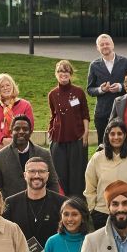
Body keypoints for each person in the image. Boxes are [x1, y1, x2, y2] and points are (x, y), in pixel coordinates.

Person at [84, 119, 127, 227]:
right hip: (102, 213)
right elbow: (90, 187)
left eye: (119, 134)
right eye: (112, 134)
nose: (116, 137)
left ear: (125, 136)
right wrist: (93, 209)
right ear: (107, 136)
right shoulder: (96, 159)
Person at [46, 59, 89, 197]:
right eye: (60, 71)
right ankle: (61, 202)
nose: (63, 74)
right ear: (56, 74)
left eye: (66, 71)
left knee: (77, 174)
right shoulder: (52, 94)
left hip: (77, 138)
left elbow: (85, 114)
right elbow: (53, 115)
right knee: (60, 174)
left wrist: (86, 133)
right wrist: (50, 131)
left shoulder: (79, 92)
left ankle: (77, 202)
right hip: (58, 139)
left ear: (70, 74)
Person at [0, 114, 49, 203]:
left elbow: (52, 183)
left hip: (40, 205)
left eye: (25, 129)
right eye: (17, 129)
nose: (21, 132)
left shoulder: (44, 154)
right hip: (9, 208)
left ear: (30, 132)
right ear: (11, 132)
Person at [86, 33, 127, 144]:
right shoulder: (94, 65)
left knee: (124, 143)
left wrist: (120, 87)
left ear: (112, 45)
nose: (105, 46)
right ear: (98, 48)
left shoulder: (125, 62)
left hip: (122, 111)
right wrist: (101, 90)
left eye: (107, 44)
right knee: (103, 144)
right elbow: (90, 89)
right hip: (102, 112)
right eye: (101, 45)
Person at [0, 73, 34, 165]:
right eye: (2, 86)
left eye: (8, 85)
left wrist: (13, 142)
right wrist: (3, 140)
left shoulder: (25, 105)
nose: (5, 88)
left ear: (13, 86)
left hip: (20, 145)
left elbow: (29, 127)